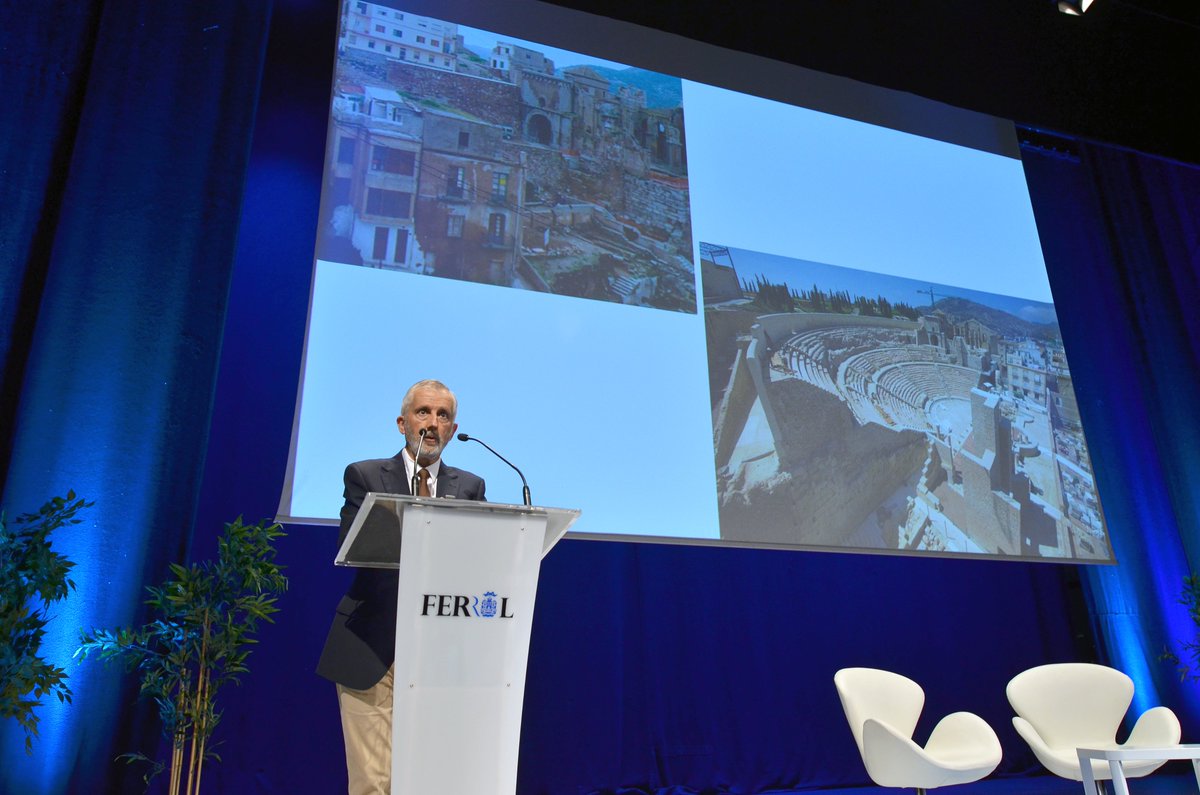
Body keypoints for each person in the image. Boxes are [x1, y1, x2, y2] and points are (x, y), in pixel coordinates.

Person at [316, 379, 486, 795]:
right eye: (423, 412)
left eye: (442, 415)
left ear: (453, 427)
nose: (432, 423)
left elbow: (481, 560)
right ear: (402, 422)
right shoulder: (366, 475)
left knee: (431, 779)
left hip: (439, 652)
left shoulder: (470, 487)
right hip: (371, 644)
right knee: (375, 781)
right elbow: (352, 546)